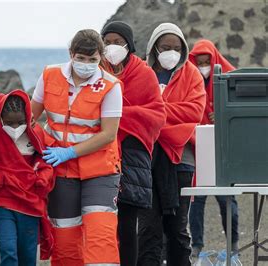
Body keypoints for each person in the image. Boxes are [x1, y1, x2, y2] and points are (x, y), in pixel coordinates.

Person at [31, 29, 123, 265]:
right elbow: (31, 116)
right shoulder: (50, 75)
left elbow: (108, 134)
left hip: (100, 170)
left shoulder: (111, 86)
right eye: (81, 58)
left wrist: (70, 152)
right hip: (61, 169)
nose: (86, 64)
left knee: (100, 237)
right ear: (71, 54)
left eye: (92, 60)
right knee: (64, 241)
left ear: (100, 58)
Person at [136, 23, 206, 266]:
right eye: (166, 47)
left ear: (184, 49)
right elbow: (133, 112)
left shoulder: (192, 74)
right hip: (145, 160)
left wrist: (155, 112)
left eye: (177, 48)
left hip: (181, 160)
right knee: (148, 228)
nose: (171, 52)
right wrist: (171, 121)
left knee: (177, 229)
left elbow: (195, 111)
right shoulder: (141, 73)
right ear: (154, 46)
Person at [100, 21, 166, 266]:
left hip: (133, 155)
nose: (112, 47)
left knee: (127, 223)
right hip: (101, 152)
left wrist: (117, 116)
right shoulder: (97, 71)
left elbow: (157, 115)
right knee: (102, 222)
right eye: (107, 42)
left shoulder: (144, 74)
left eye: (118, 42)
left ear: (129, 45)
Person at [0, 90, 55, 266]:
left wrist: (42, 178)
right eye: (9, 123)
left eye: (20, 122)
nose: (15, 128)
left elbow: (45, 160)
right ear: (0, 118)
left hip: (30, 201)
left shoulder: (36, 132)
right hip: (0, 199)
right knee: (7, 250)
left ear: (29, 117)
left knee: (28, 254)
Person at [188, 39, 239, 258]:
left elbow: (239, 109)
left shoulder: (230, 76)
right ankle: (196, 244)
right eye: (198, 62)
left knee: (226, 197)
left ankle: (234, 244)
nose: (202, 66)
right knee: (196, 199)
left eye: (205, 62)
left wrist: (222, 114)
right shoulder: (189, 78)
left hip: (222, 148)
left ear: (213, 59)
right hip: (196, 144)